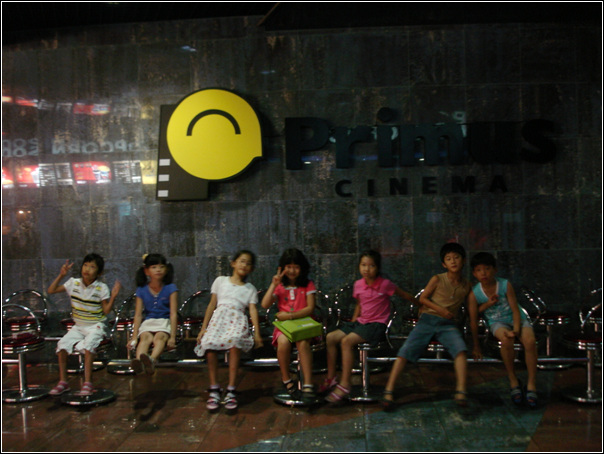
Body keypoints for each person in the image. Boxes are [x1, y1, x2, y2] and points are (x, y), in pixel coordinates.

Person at [382, 242, 481, 410]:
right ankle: (389, 390)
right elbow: (423, 299)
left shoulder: (467, 286)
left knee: (460, 350)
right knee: (405, 351)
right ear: (444, 264)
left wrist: (476, 345)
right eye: (448, 259)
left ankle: (461, 391)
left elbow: (473, 314)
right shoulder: (438, 279)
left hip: (448, 325)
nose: (453, 261)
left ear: (463, 260)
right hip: (428, 320)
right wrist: (440, 310)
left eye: (456, 257)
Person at [323, 250, 417, 404]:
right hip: (361, 322)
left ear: (377, 267)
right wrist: (354, 322)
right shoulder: (358, 284)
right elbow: (359, 304)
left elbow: (405, 295)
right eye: (363, 265)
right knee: (330, 337)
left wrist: (421, 305)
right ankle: (331, 377)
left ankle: (345, 384)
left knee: (346, 342)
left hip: (376, 325)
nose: (367, 269)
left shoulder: (385, 284)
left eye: (371, 265)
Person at [195, 250, 263, 413]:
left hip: (237, 320)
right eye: (242, 261)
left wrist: (257, 333)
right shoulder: (221, 281)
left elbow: (253, 311)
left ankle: (231, 389)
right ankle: (214, 388)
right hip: (219, 319)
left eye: (248, 263)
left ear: (251, 269)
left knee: (235, 342)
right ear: (233, 263)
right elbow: (212, 304)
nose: (244, 265)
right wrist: (203, 328)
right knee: (209, 344)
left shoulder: (250, 289)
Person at [468, 252, 538, 407]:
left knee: (530, 341)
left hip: (517, 318)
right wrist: (476, 346)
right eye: (479, 270)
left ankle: (532, 383)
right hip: (496, 321)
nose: (483, 273)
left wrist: (517, 329)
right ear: (474, 273)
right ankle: (513, 380)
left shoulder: (505, 285)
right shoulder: (475, 293)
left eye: (487, 268)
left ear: (495, 270)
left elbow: (515, 309)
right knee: (506, 340)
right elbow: (473, 318)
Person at [48, 253, 121, 396]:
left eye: (92, 267)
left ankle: (88, 383)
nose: (87, 269)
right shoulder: (73, 283)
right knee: (62, 345)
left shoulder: (101, 287)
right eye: (85, 265)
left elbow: (106, 311)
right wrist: (61, 275)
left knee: (89, 346)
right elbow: (51, 290)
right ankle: (63, 382)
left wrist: (113, 297)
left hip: (96, 325)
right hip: (78, 326)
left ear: (99, 273)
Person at [261, 248, 317, 403]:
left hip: (304, 324)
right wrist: (273, 284)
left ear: (302, 268)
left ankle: (308, 384)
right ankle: (286, 379)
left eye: (296, 267)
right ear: (282, 268)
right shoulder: (280, 286)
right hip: (284, 327)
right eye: (289, 267)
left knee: (303, 342)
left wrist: (290, 315)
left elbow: (310, 308)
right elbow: (265, 304)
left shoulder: (308, 284)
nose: (292, 271)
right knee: (283, 342)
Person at [129, 253, 179, 375]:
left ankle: (151, 360)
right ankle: (139, 362)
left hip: (164, 321)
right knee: (145, 338)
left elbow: (173, 313)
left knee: (159, 337)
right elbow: (138, 315)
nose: (158, 270)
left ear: (166, 269)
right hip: (149, 321)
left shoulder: (171, 288)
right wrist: (134, 337)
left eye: (161, 267)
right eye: (154, 267)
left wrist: (173, 337)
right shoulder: (141, 290)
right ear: (146, 271)